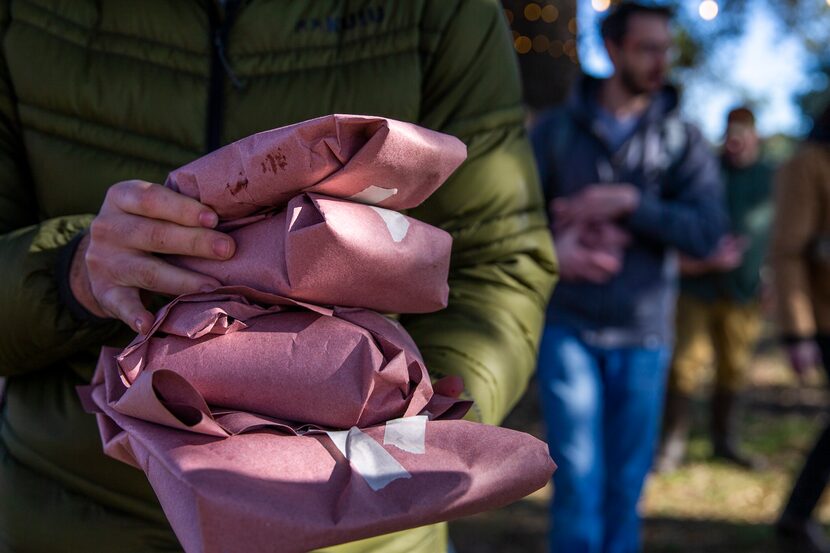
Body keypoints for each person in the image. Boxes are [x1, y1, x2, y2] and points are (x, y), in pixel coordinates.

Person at [0, 2, 557, 552]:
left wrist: (422, 429)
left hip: (362, 533)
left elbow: (499, 263)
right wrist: (70, 271)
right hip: (77, 513)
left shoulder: (436, 13)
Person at [530, 3, 726, 552]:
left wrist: (629, 203)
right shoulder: (554, 133)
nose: (660, 61)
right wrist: (557, 246)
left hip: (645, 336)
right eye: (647, 48)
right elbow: (514, 221)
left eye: (665, 48)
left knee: (625, 487)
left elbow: (709, 230)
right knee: (576, 481)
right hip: (568, 328)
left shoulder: (683, 139)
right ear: (613, 49)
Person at [654, 107, 773, 473]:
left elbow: (780, 232)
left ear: (755, 136)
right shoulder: (704, 171)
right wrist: (702, 260)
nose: (735, 142)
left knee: (734, 368)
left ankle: (724, 441)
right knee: (684, 365)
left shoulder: (769, 177)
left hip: (744, 292)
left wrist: (774, 278)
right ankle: (671, 444)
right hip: (696, 288)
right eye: (730, 135)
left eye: (742, 134)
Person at [771, 104, 830, 553]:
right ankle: (796, 515)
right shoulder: (808, 164)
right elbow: (789, 251)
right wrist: (799, 333)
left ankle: (796, 515)